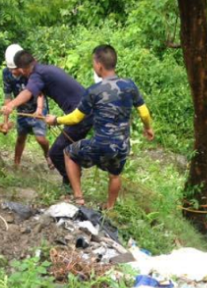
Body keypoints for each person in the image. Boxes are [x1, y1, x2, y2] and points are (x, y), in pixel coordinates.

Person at [46, 45, 155, 209]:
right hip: (122, 145)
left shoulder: (93, 91)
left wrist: (56, 120)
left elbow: (76, 117)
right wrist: (148, 128)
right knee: (115, 175)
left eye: (93, 63)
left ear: (99, 65)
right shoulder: (129, 85)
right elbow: (145, 113)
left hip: (101, 144)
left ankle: (78, 198)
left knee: (68, 153)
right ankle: (110, 207)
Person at [2, 50, 94, 194]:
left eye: (17, 69)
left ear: (22, 68)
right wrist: (38, 109)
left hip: (81, 115)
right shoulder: (44, 70)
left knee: (56, 153)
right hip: (85, 111)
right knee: (67, 149)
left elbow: (28, 92)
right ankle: (70, 181)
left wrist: (11, 105)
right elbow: (36, 91)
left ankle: (72, 182)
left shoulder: (37, 75)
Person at [2, 44, 51, 169]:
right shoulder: (6, 74)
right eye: (11, 69)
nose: (14, 72)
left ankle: (48, 155)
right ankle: (16, 163)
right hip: (21, 110)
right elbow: (7, 98)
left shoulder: (30, 71)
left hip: (36, 109)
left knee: (41, 139)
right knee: (20, 137)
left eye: (16, 69)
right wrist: (5, 122)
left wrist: (39, 110)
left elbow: (39, 92)